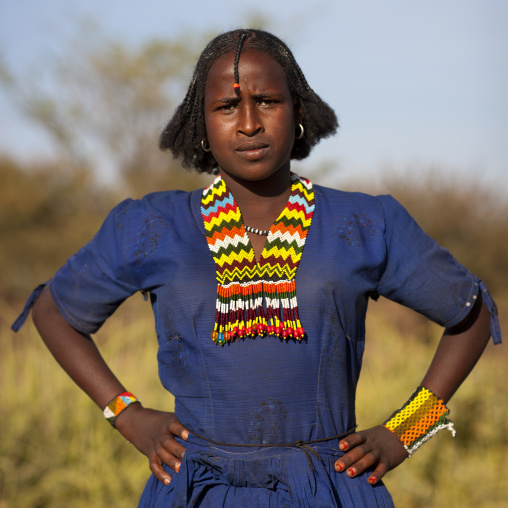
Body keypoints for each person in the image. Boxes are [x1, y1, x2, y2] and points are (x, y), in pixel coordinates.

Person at [12, 28, 502, 507]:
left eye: (267, 101)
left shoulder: (364, 223)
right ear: (201, 125)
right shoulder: (151, 226)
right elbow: (56, 312)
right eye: (227, 106)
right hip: (195, 489)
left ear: (299, 112)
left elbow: (471, 313)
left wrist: (405, 432)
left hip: (329, 487)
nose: (249, 122)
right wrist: (127, 414)